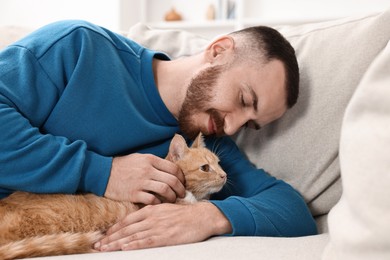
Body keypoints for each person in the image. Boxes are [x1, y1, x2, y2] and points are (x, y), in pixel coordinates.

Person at [0, 20, 317, 251]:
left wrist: (209, 216)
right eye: (244, 100)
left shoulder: (207, 144)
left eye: (249, 124)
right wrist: (103, 172)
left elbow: (294, 212)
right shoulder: (79, 47)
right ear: (218, 51)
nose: (233, 126)